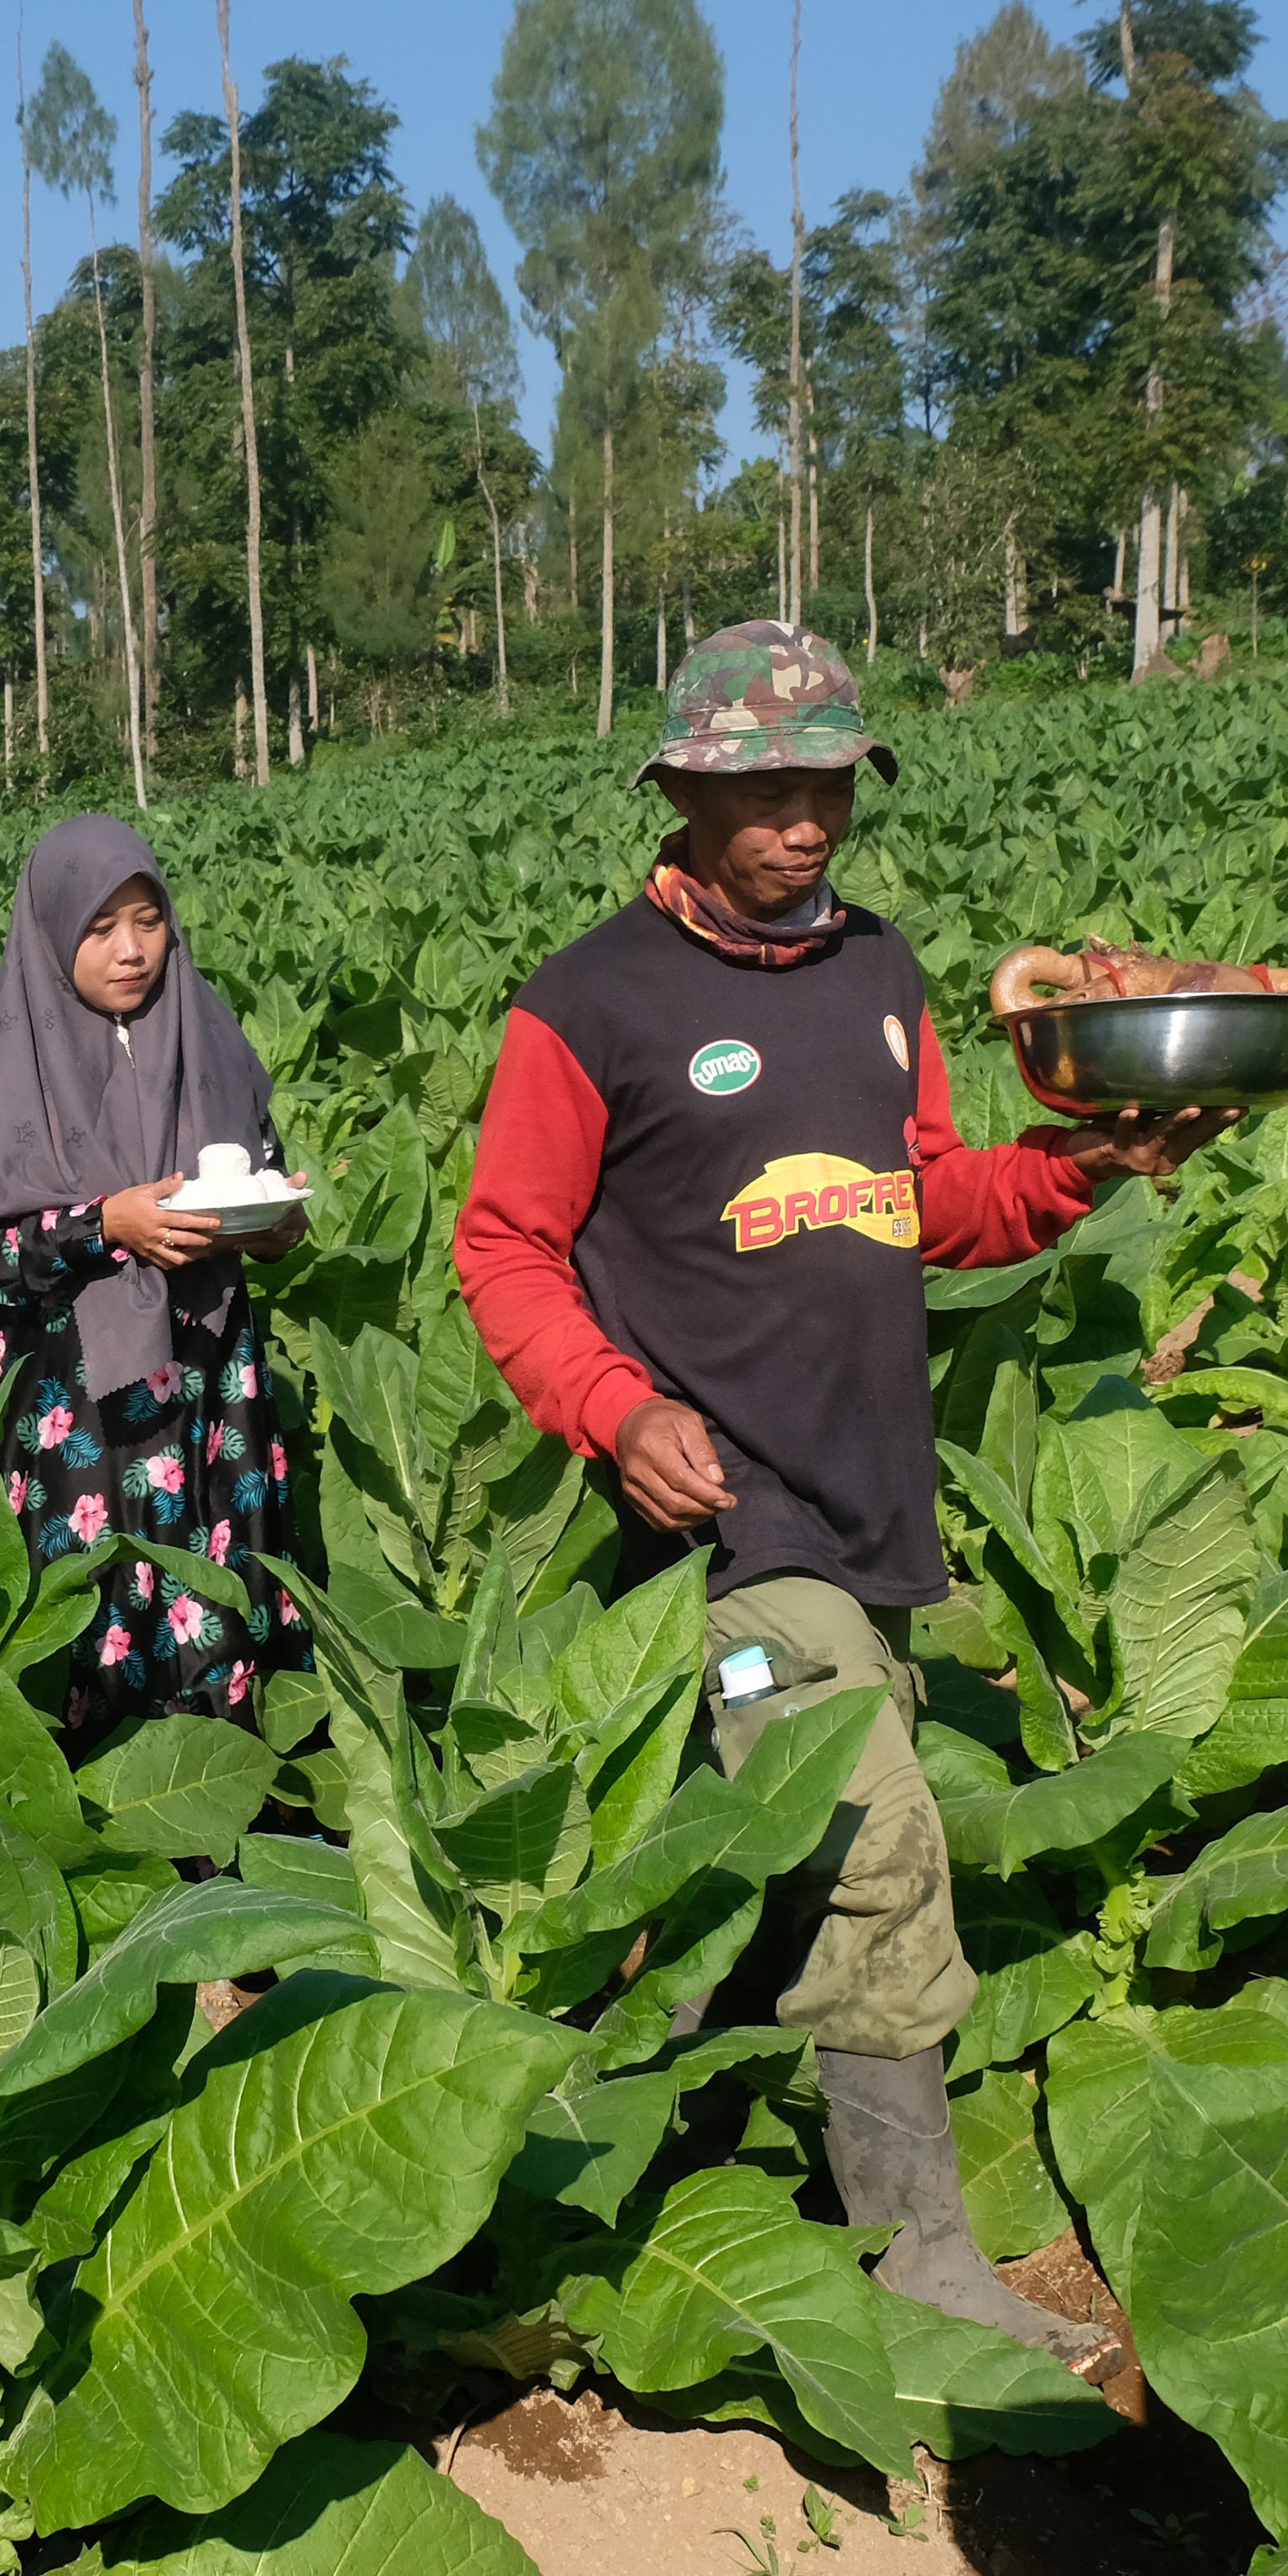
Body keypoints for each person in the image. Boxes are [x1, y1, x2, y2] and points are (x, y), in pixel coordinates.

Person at [457, 622, 1233, 2365]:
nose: (802, 821)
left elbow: (923, 1197)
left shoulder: (877, 967)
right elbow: (503, 1246)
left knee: (759, 1850)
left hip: (868, 1490)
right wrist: (612, 1409)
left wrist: (1072, 1171)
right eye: (764, 792)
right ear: (678, 790)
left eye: (826, 785)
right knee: (876, 1836)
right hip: (724, 1519)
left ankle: (626, 2147)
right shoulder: (584, 1005)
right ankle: (917, 2260)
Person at [0, 815, 313, 1741]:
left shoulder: (207, 1035)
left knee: (219, 1601)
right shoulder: (7, 1072)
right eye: (100, 929)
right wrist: (103, 1227)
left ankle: (219, 1791)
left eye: (148, 921)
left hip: (211, 1380)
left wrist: (274, 1227)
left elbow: (264, 1176)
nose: (132, 951)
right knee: (83, 1617)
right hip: (77, 1408)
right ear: (52, 937)